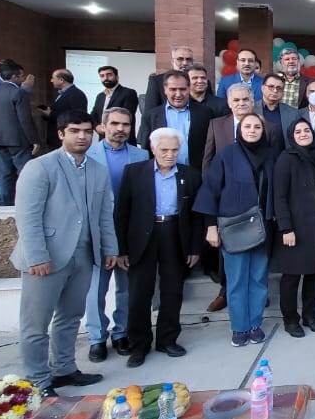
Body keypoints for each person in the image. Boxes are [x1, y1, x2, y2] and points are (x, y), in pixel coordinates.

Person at [11, 110, 116, 396]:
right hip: (46, 258)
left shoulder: (97, 170)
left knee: (71, 316)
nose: (82, 136)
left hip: (83, 255)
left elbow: (104, 214)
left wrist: (110, 248)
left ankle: (64, 369)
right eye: (74, 131)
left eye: (87, 131)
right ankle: (38, 381)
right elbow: (28, 217)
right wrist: (37, 256)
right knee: (36, 324)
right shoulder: (40, 167)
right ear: (60, 134)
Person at [114, 128, 203, 367]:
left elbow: (197, 216)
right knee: (139, 293)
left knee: (172, 290)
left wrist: (195, 247)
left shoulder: (190, 175)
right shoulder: (134, 172)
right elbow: (122, 213)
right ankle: (139, 345)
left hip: (174, 234)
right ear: (153, 148)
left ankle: (167, 340)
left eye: (174, 150)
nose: (169, 155)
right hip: (142, 237)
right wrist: (121, 249)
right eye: (164, 150)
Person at [195, 113, 275, 347]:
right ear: (240, 130)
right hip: (234, 228)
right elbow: (210, 190)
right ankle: (239, 327)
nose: (252, 130)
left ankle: (255, 324)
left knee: (259, 279)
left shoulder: (270, 155)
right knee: (237, 280)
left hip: (262, 227)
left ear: (263, 131)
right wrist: (211, 227)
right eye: (247, 126)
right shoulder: (226, 155)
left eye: (257, 127)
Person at [84, 107, 148, 362]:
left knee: (127, 288)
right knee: (96, 289)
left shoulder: (141, 155)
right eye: (115, 124)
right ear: (103, 126)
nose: (120, 129)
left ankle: (122, 332)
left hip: (131, 231)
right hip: (98, 231)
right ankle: (97, 337)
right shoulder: (88, 154)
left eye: (126, 124)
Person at [200, 82, 254, 313]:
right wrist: (211, 192)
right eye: (236, 100)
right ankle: (225, 291)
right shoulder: (217, 124)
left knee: (255, 247)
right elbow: (207, 160)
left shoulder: (264, 126)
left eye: (245, 99)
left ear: (252, 101)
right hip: (225, 197)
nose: (241, 103)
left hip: (253, 199)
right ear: (229, 103)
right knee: (227, 248)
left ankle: (253, 291)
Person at [271, 120, 315, 338]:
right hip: (295, 229)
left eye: (307, 130)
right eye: (298, 131)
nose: (303, 134)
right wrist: (286, 228)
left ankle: (309, 315)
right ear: (291, 136)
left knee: (313, 275)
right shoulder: (286, 159)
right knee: (292, 278)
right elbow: (279, 196)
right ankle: (290, 319)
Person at [0, 60, 40, 209]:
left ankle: (6, 202)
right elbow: (25, 119)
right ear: (15, 76)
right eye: (21, 76)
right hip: (18, 139)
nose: (23, 79)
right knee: (26, 171)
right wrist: (34, 140)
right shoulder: (19, 92)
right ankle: (27, 201)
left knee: (5, 172)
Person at [138, 70, 212, 169]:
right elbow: (146, 148)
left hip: (195, 173)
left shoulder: (205, 113)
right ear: (165, 90)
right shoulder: (151, 116)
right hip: (161, 173)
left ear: (189, 89)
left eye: (182, 89)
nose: (178, 94)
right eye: (173, 89)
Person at [90, 65, 139, 146]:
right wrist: (97, 127)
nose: (106, 78)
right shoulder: (100, 96)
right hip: (103, 142)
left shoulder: (129, 93)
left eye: (109, 75)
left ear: (117, 77)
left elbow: (126, 117)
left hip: (123, 141)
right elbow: (92, 116)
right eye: (102, 76)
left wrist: (106, 128)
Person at [42, 69, 88, 150]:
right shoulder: (62, 94)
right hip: (58, 140)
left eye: (53, 78)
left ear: (61, 80)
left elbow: (77, 118)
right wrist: (48, 113)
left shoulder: (76, 94)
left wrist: (50, 114)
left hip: (65, 141)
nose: (51, 80)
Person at [143, 46, 195, 113]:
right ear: (172, 61)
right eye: (180, 59)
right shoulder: (157, 81)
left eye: (188, 59)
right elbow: (149, 111)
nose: (185, 63)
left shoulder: (200, 82)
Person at [258, 73, 301, 153]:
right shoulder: (251, 110)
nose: (275, 91)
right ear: (262, 88)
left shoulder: (293, 113)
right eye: (271, 87)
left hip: (284, 158)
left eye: (279, 88)